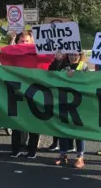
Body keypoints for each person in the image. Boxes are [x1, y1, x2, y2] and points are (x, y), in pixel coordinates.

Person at [49, 51, 89, 168]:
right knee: (63, 129)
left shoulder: (84, 66)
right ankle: (63, 154)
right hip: (63, 101)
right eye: (71, 54)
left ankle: (80, 157)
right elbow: (52, 74)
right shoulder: (63, 66)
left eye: (75, 54)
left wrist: (75, 75)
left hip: (79, 103)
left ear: (80, 55)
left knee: (79, 130)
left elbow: (88, 81)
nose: (73, 56)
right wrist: (57, 60)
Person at [9, 31, 42, 159]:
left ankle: (32, 150)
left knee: (33, 121)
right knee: (16, 121)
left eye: (27, 41)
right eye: (22, 41)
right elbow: (5, 54)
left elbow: (48, 58)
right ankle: (15, 149)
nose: (24, 44)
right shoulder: (15, 53)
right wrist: (12, 40)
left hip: (34, 91)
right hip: (17, 91)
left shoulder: (36, 53)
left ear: (32, 42)